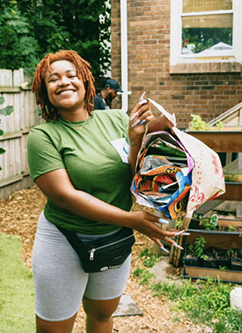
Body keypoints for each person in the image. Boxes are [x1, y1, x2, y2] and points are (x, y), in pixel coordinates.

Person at [27, 49, 185, 333]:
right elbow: (66, 197)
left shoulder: (113, 120)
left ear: (86, 82)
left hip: (112, 238)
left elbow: (136, 173)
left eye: (71, 75)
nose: (63, 82)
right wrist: (132, 221)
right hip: (65, 238)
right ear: (45, 91)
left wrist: (138, 139)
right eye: (53, 79)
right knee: (54, 328)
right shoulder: (43, 136)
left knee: (102, 315)